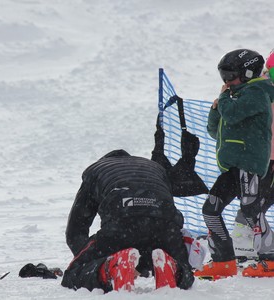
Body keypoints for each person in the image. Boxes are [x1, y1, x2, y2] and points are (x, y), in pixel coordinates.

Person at [61, 115, 208, 293]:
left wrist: (95, 259)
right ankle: (171, 267)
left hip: (121, 224)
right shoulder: (154, 167)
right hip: (164, 225)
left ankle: (112, 268)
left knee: (72, 275)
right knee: (181, 265)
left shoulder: (95, 171)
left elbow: (75, 230)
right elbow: (166, 209)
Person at [193, 49, 274, 278]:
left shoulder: (259, 92)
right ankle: (223, 260)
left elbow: (232, 114)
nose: (227, 82)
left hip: (249, 163)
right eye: (223, 77)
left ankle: (270, 256)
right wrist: (215, 108)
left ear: (248, 73)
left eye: (231, 76)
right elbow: (214, 129)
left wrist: (225, 99)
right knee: (210, 210)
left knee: (251, 211)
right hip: (232, 166)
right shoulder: (236, 95)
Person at [231, 49, 274, 260]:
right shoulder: (260, 88)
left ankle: (250, 240)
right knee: (255, 201)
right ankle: (245, 242)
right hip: (264, 158)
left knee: (259, 201)